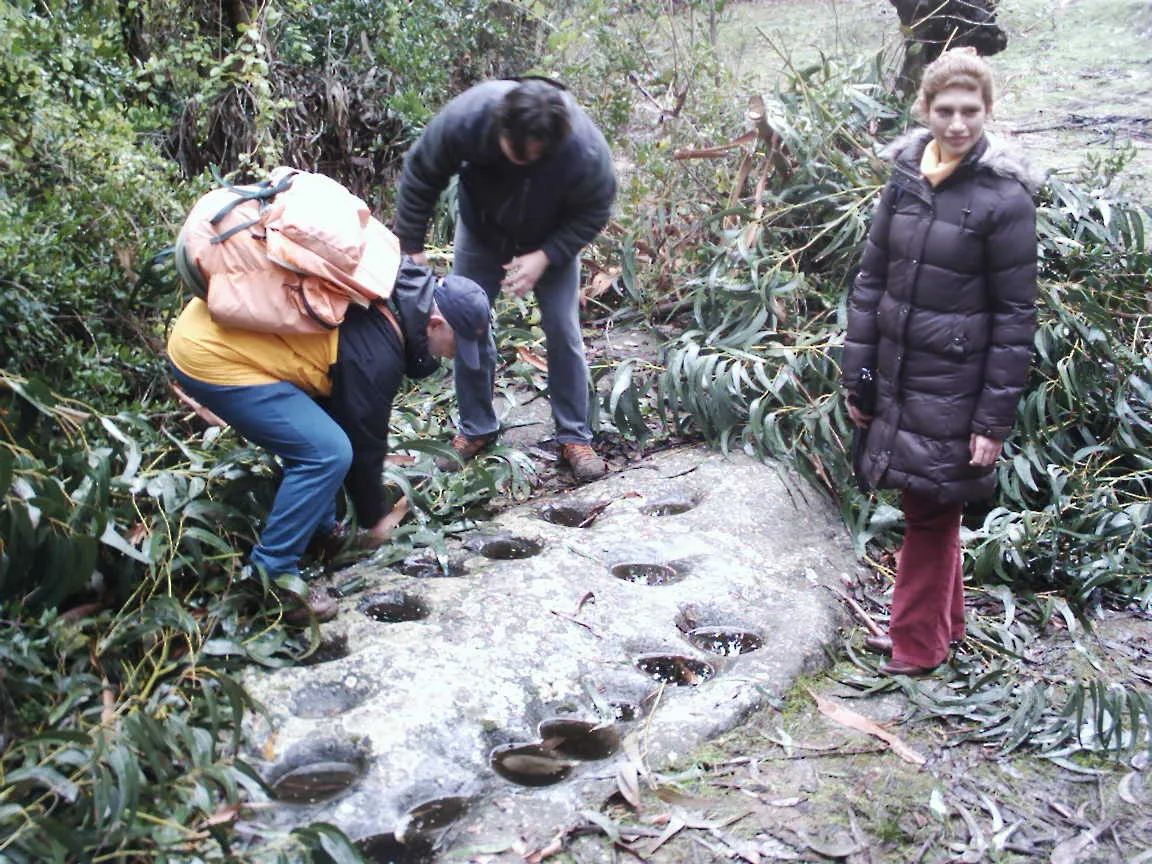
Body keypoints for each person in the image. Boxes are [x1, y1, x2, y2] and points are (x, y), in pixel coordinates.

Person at [841, 48, 1043, 675]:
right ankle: (943, 626)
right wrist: (861, 375)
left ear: (988, 111)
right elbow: (870, 282)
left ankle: (916, 645)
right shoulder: (903, 180)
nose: (958, 124)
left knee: (930, 510)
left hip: (956, 385)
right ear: (925, 109)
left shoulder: (1005, 200)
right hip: (900, 375)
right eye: (945, 110)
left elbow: (1015, 321)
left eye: (970, 111)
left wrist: (991, 421)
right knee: (930, 504)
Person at [167, 260, 490, 620]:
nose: (458, 355)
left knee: (316, 435)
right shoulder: (377, 351)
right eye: (459, 344)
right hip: (212, 354)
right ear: (435, 323)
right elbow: (364, 442)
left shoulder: (390, 293)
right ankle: (272, 578)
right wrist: (374, 520)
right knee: (327, 452)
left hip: (215, 328)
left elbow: (340, 411)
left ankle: (320, 531)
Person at [392, 78, 617, 483]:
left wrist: (547, 255)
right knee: (467, 322)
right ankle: (476, 427)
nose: (525, 162)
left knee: (563, 329)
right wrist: (411, 245)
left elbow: (596, 209)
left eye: (537, 157)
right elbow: (421, 171)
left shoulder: (583, 149)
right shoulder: (468, 118)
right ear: (500, 129)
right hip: (482, 230)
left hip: (551, 237)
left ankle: (574, 435)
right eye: (518, 154)